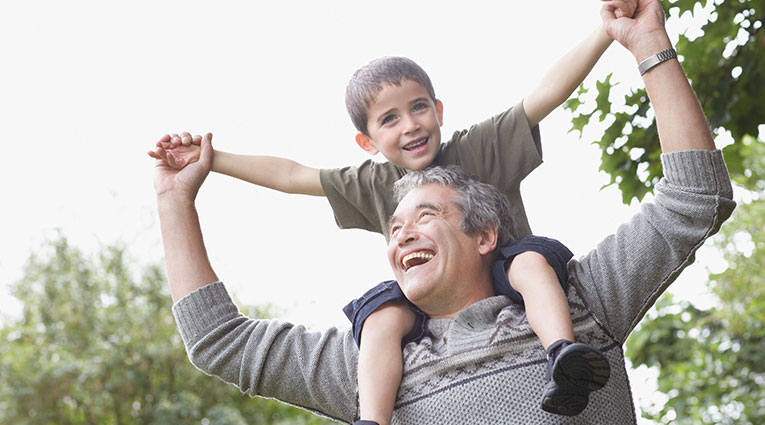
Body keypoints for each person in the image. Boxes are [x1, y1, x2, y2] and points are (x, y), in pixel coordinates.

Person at [153, 1, 736, 422]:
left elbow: (691, 198)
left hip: (531, 289)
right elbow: (222, 336)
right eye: (397, 225)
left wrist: (631, 39)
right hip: (400, 336)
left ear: (482, 232)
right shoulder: (383, 346)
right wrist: (187, 185)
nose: (409, 127)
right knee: (379, 314)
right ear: (367, 141)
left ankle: (561, 354)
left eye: (428, 215)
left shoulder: (583, 294)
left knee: (533, 264)